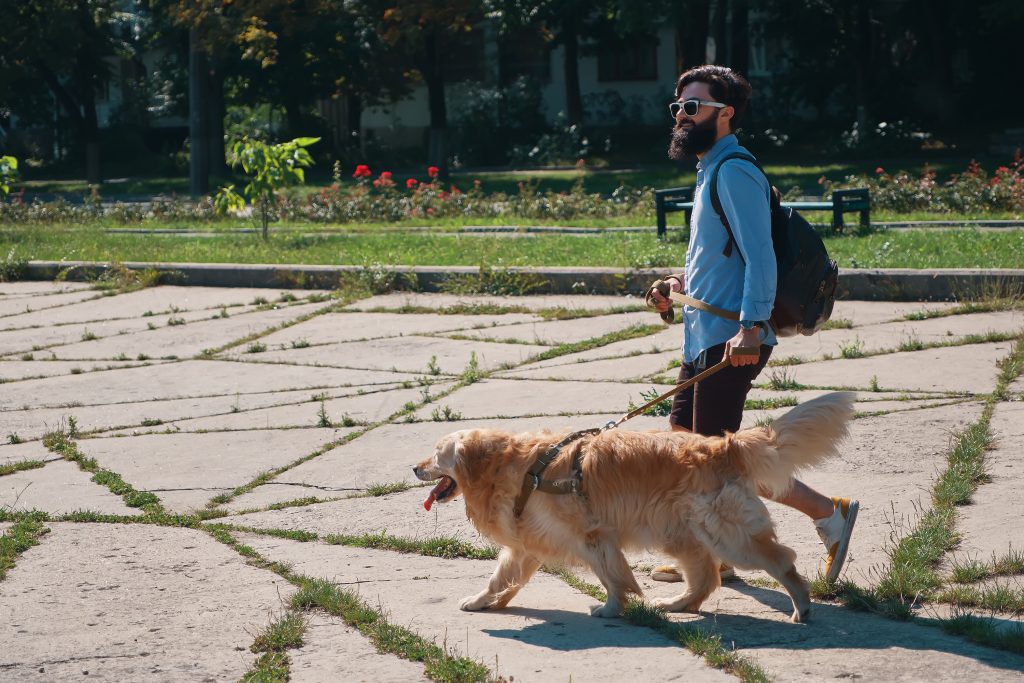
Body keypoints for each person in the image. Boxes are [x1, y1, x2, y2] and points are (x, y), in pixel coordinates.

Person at [648, 65, 857, 584]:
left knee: (720, 459)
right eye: (677, 107)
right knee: (685, 441)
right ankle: (713, 552)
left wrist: (750, 327)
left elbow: (760, 258)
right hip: (704, 332)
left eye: (692, 107)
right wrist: (677, 283)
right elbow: (721, 255)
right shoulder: (709, 170)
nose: (681, 116)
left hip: (732, 336)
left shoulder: (734, 171)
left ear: (726, 114)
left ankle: (829, 514)